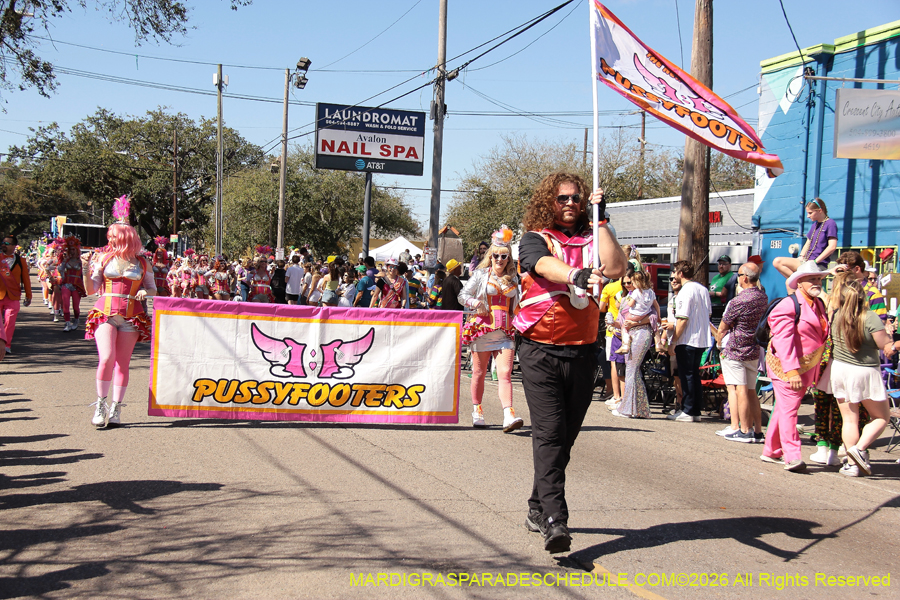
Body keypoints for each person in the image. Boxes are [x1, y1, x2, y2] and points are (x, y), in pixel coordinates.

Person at [514, 172, 625, 554]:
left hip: (582, 352)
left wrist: (603, 220)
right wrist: (575, 274)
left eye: (577, 198)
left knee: (564, 439)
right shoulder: (534, 238)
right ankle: (554, 520)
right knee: (548, 434)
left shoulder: (595, 240)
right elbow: (540, 264)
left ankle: (535, 507)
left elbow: (616, 269)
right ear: (550, 201)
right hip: (539, 351)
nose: (570, 203)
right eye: (562, 198)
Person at [82, 195, 157, 428]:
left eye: (114, 237)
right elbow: (90, 290)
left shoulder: (143, 263)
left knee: (122, 364)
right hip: (104, 313)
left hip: (132, 316)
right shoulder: (103, 258)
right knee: (106, 358)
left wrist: (147, 293)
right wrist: (85, 269)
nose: (111, 240)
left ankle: (116, 407)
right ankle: (101, 402)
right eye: (110, 237)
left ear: (126, 238)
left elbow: (153, 288)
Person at [761, 260, 830, 472]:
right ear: (799, 283)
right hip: (786, 369)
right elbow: (783, 340)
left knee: (784, 408)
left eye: (819, 278)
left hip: (807, 368)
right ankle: (792, 455)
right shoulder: (788, 305)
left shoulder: (818, 303)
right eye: (812, 279)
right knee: (790, 410)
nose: (817, 282)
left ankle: (771, 451)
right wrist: (791, 371)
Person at [460, 225, 523, 432]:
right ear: (491, 255)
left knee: (505, 373)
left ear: (508, 257)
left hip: (505, 331)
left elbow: (518, 305)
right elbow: (463, 295)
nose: (499, 259)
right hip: (482, 329)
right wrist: (475, 303)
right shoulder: (480, 275)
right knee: (478, 372)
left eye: (503, 256)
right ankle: (477, 410)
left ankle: (508, 414)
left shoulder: (514, 278)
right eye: (495, 255)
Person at [830, 272, 893, 476]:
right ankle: (859, 448)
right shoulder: (869, 317)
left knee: (849, 419)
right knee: (881, 417)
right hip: (865, 371)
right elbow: (884, 345)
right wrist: (892, 338)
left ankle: (851, 464)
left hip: (840, 369)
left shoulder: (837, 315)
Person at [714, 262, 768, 443]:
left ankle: (744, 430)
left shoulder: (739, 301)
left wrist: (719, 339)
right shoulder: (763, 297)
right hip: (753, 348)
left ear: (745, 277)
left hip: (736, 348)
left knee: (740, 389)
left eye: (738, 275)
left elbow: (723, 326)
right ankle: (757, 431)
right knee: (752, 390)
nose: (737, 278)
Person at [666, 260, 712, 423]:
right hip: (701, 338)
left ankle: (688, 410)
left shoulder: (685, 292)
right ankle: (694, 410)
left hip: (687, 339)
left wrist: (673, 341)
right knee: (693, 375)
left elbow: (682, 319)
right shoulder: (703, 289)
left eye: (675, 271)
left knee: (687, 375)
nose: (674, 276)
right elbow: (709, 312)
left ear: (680, 273)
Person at [611, 269, 658, 419]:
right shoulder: (625, 300)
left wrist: (637, 321)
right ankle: (640, 408)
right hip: (629, 334)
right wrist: (612, 323)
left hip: (642, 333)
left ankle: (628, 408)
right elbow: (622, 322)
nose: (627, 285)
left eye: (629, 282)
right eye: (624, 283)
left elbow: (654, 315)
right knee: (632, 370)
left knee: (632, 368)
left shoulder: (645, 293)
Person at [773, 198, 837, 290]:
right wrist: (801, 256)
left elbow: (832, 247)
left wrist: (816, 261)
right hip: (806, 261)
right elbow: (808, 242)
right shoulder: (814, 225)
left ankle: (801, 284)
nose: (808, 216)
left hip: (817, 264)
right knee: (777, 262)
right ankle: (799, 282)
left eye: (810, 213)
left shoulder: (830, 223)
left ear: (820, 211)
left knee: (788, 283)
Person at [0, 233, 33, 354]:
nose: (4, 245)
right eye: (3, 243)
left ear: (14, 246)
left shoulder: (21, 261)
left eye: (7, 243)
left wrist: (28, 295)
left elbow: (26, 279)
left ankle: (7, 345)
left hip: (13, 297)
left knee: (9, 322)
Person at [59, 236, 87, 332]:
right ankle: (67, 323)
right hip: (66, 284)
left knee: (76, 307)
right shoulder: (66, 260)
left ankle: (76, 321)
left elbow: (87, 272)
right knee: (65, 305)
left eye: (74, 249)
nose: (72, 251)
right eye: (70, 249)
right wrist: (62, 261)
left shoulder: (81, 261)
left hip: (77, 286)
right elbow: (60, 270)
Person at [709, 255, 738, 323]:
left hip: (723, 307)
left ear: (730, 265)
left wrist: (715, 293)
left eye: (724, 264)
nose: (721, 266)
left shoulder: (732, 277)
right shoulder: (715, 277)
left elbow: (730, 293)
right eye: (720, 264)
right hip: (712, 306)